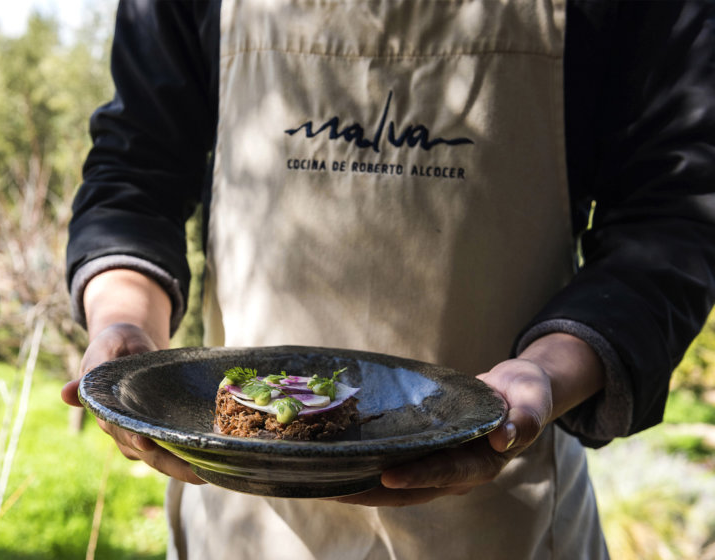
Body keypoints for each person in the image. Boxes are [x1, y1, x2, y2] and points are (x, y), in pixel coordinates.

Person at [62, 1, 715, 558]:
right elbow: (137, 165)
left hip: (503, 519)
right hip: (241, 524)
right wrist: (124, 326)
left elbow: (676, 207)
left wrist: (547, 372)